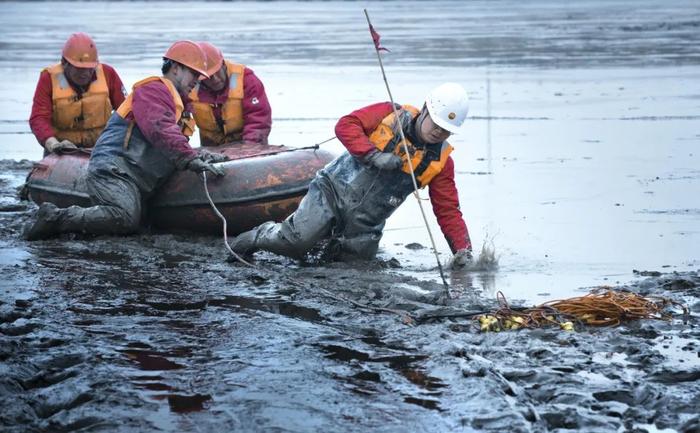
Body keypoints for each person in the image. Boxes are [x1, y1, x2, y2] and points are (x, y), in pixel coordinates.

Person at [230, 82, 473, 268]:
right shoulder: (390, 115)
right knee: (296, 241)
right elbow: (346, 125)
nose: (439, 133)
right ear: (425, 110)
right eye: (437, 125)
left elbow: (448, 210)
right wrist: (372, 155)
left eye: (446, 131)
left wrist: (463, 251)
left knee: (353, 271)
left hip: (367, 223)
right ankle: (257, 236)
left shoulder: (441, 163)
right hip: (332, 192)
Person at [23, 40, 227, 241]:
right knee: (125, 217)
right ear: (175, 68)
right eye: (194, 73)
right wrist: (189, 157)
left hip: (138, 176)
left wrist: (201, 155)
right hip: (114, 169)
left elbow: (172, 142)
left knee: (142, 221)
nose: (198, 80)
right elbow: (160, 129)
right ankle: (55, 218)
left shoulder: (179, 103)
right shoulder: (153, 90)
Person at [29, 32, 127, 154]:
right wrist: (53, 144)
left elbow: (126, 111)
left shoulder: (108, 74)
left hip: (101, 147)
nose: (85, 73)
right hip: (61, 149)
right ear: (64, 64)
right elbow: (39, 118)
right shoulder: (49, 78)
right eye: (79, 69)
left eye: (89, 68)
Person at [189, 42, 272, 146]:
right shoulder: (189, 87)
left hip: (248, 146)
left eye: (217, 72)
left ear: (223, 64)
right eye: (208, 77)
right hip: (210, 149)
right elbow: (179, 124)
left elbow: (258, 120)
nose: (215, 79)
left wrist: (249, 148)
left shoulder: (246, 80)